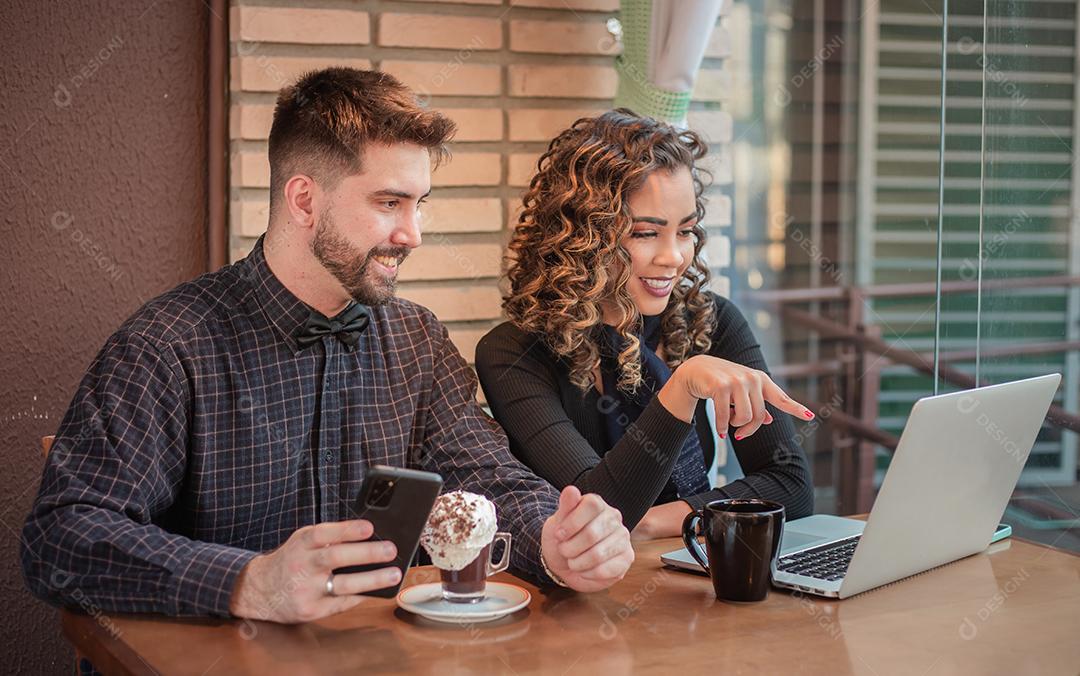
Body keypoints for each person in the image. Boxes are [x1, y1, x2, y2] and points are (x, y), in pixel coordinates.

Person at [21, 68, 633, 625]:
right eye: (388, 203)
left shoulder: (417, 339)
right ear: (304, 200)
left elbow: (488, 479)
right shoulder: (167, 345)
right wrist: (247, 582)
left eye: (419, 205)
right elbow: (60, 536)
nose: (413, 235)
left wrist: (557, 541)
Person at [475, 110, 815, 541]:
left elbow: (791, 488)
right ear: (582, 236)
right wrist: (681, 389)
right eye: (644, 233)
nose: (673, 257)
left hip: (691, 563)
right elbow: (597, 509)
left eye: (685, 231)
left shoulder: (710, 321)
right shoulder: (513, 353)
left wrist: (653, 524)